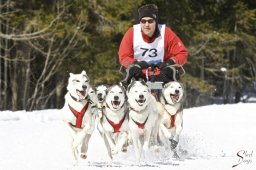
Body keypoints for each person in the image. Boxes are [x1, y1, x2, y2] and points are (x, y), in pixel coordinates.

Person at [118, 4, 188, 86]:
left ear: (155, 21)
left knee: (171, 82)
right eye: (143, 21)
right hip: (138, 73)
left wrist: (169, 62)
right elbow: (123, 56)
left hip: (162, 73)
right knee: (132, 74)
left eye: (150, 21)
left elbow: (182, 53)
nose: (146, 25)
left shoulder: (166, 32)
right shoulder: (132, 33)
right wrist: (135, 63)